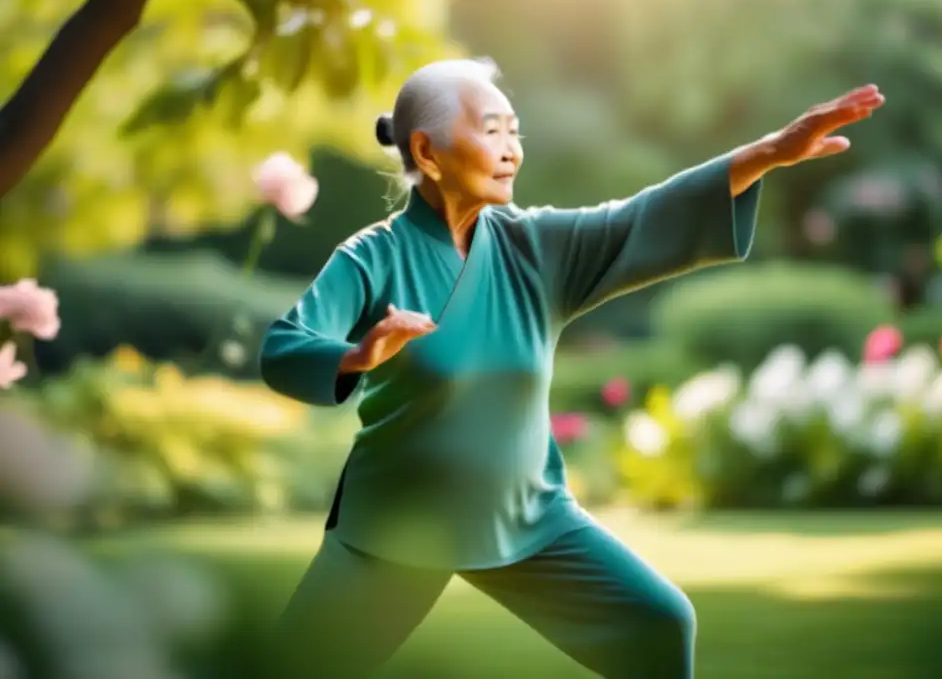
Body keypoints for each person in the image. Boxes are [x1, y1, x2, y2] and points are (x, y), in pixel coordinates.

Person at [259, 58, 885, 678]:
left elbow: (641, 216)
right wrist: (357, 355)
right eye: (492, 131)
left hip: (527, 517)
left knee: (659, 623)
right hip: (399, 523)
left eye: (515, 131)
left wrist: (771, 152)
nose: (511, 151)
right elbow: (285, 345)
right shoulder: (373, 257)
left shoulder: (537, 247)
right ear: (426, 151)